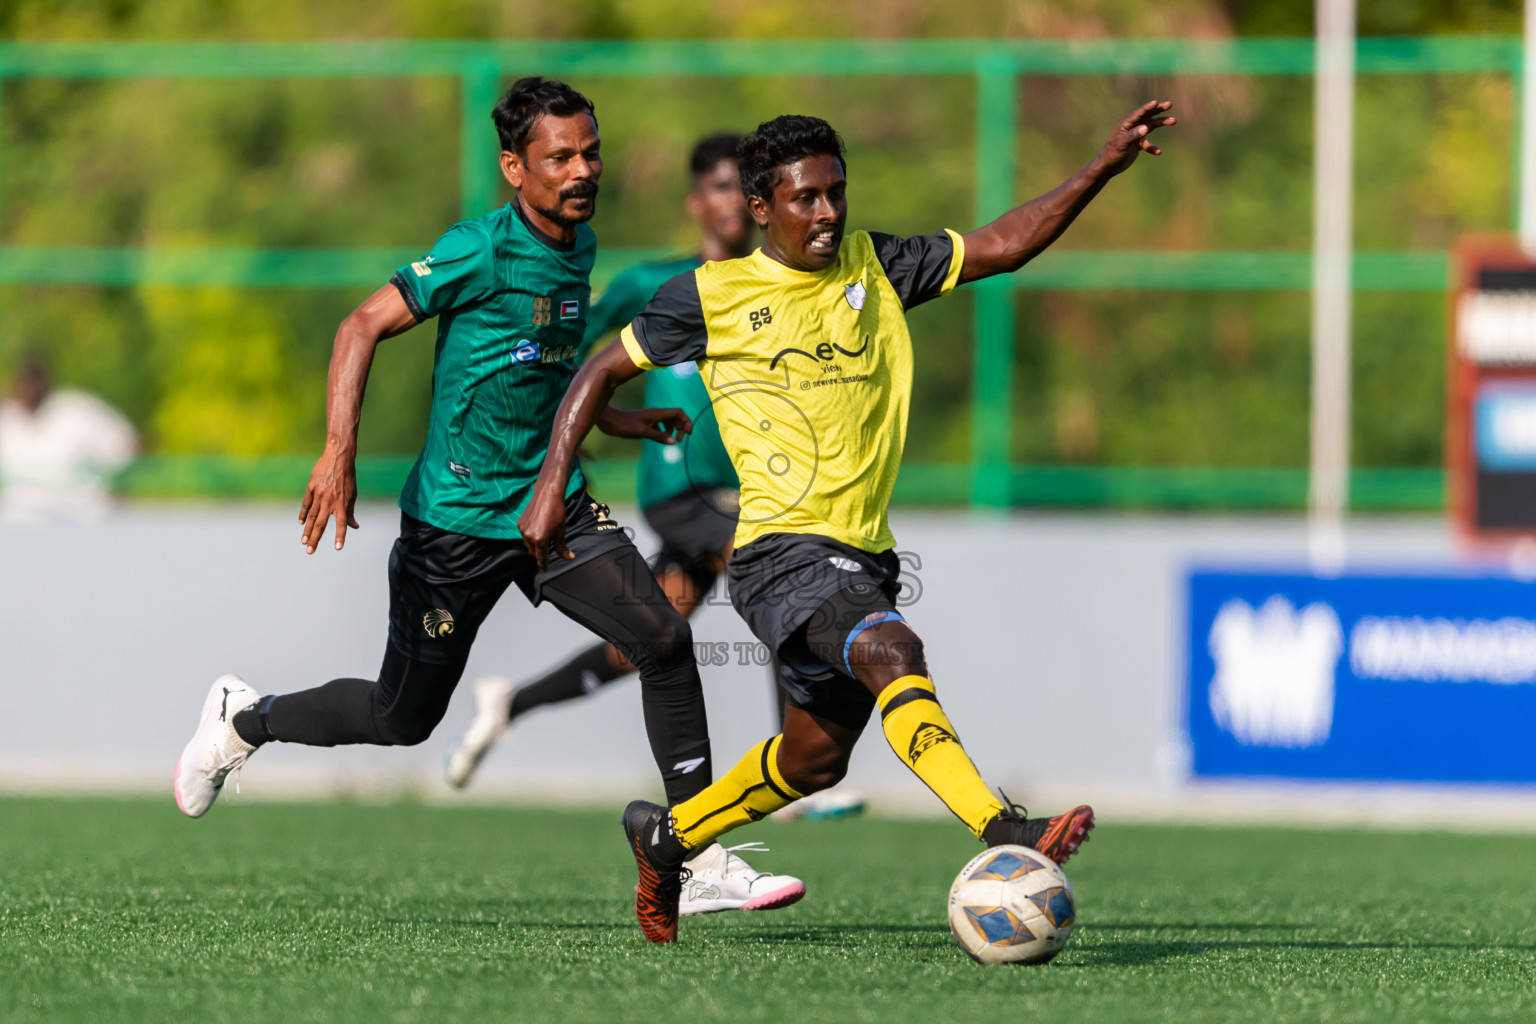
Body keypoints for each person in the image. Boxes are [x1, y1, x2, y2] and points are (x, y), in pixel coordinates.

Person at [519, 101, 1177, 942]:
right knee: (891, 648)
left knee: (813, 760)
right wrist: (551, 485)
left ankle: (667, 838)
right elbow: (599, 372)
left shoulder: (878, 265)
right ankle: (1003, 829)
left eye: (836, 193)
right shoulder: (710, 296)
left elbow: (1004, 244)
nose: (828, 213)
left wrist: (1100, 166)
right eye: (806, 199)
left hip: (862, 556)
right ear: (762, 209)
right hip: (777, 554)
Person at [171, 78, 798, 913]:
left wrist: (619, 418)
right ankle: (245, 720)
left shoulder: (578, 244)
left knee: (664, 640)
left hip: (552, 502)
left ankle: (693, 852)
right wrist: (337, 451)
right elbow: (360, 325)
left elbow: (543, 367)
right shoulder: (480, 249)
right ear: (514, 168)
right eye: (560, 157)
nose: (583, 170)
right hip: (454, 526)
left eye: (591, 152)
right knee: (402, 718)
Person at [444, 131, 866, 826]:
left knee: (648, 637)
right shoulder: (655, 285)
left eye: (746, 188)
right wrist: (565, 430)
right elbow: (571, 353)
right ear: (697, 202)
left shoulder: (781, 288)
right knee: (773, 564)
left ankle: (507, 704)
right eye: (723, 187)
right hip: (678, 492)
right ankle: (798, 770)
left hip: (752, 489)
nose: (736, 202)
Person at [0, 355, 137, 523]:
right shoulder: (7, 420)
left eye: (34, 382)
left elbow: (126, 443)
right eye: (23, 382)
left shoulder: (76, 411)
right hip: (21, 526)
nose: (29, 389)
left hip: (81, 523)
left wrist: (116, 488)